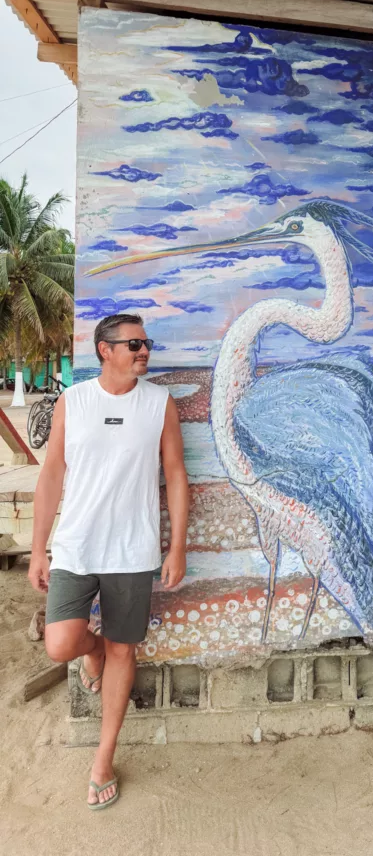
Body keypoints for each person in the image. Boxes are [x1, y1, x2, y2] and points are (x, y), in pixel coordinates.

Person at [29, 313, 189, 811]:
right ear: (105, 349)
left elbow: (176, 475)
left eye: (146, 343)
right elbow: (52, 475)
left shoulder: (159, 404)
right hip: (76, 545)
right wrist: (39, 547)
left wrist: (176, 545)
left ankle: (103, 757)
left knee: (126, 650)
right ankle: (91, 652)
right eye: (134, 344)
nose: (144, 351)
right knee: (61, 645)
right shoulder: (72, 402)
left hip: (133, 549)